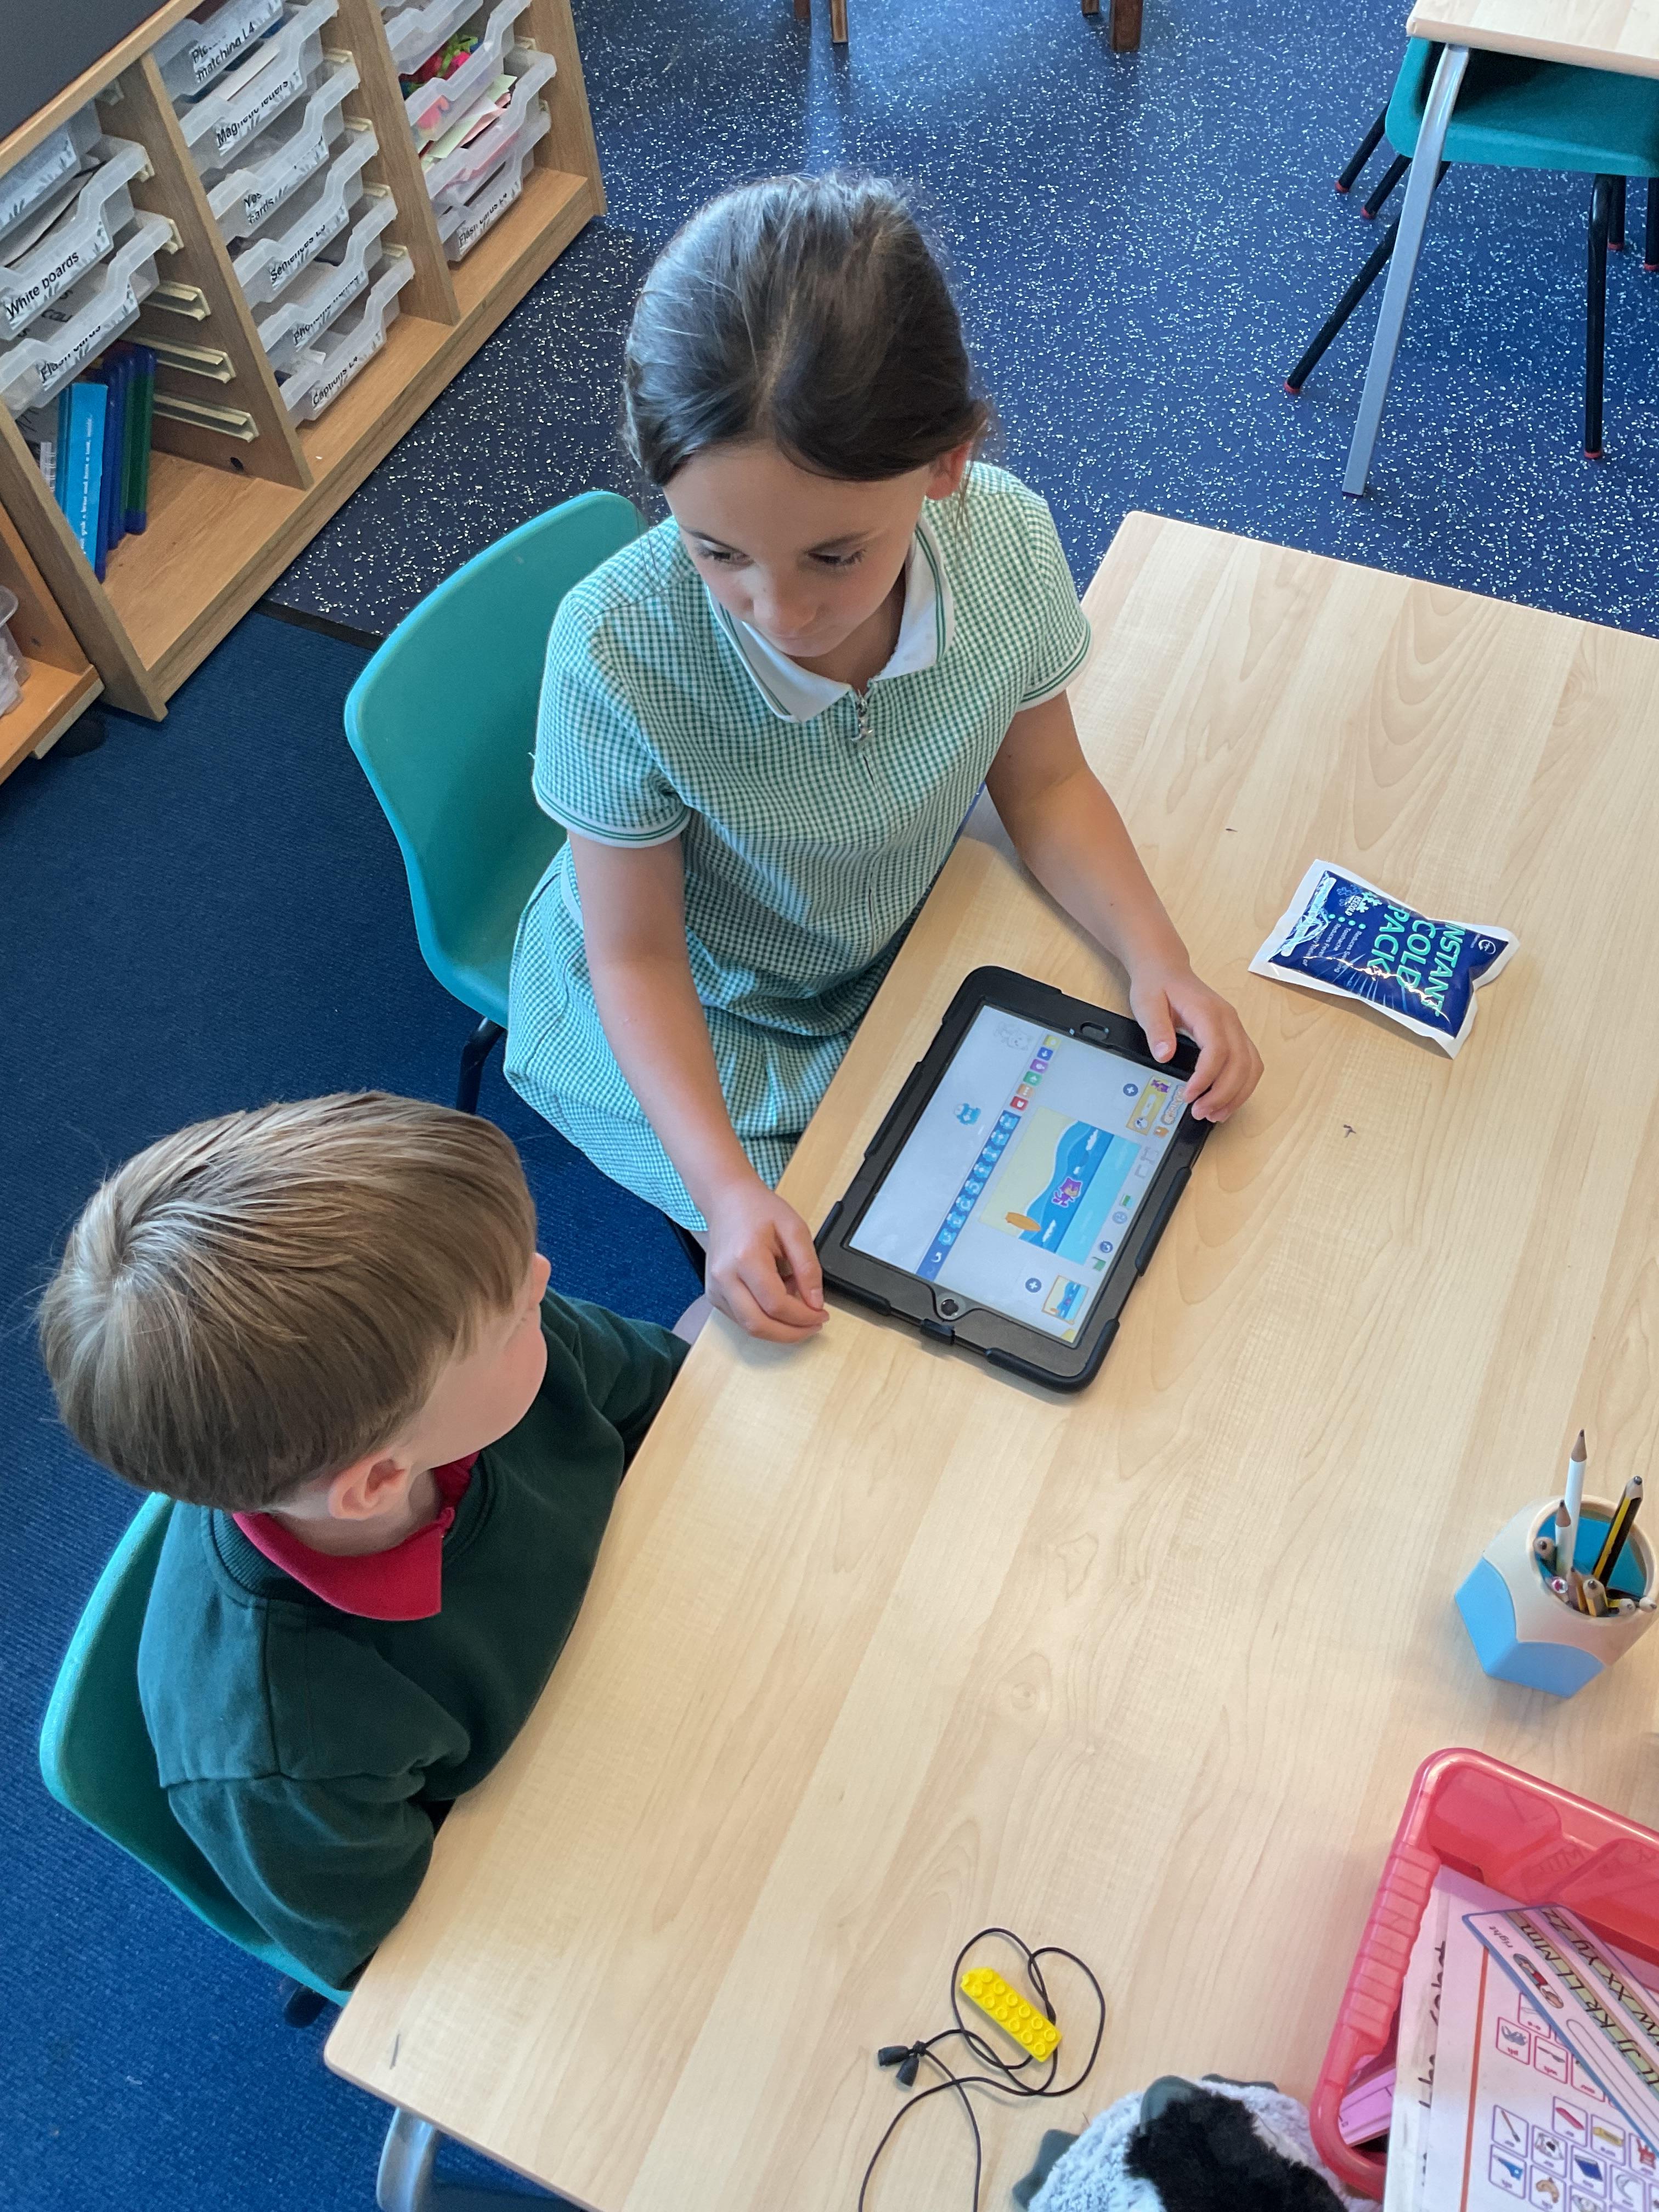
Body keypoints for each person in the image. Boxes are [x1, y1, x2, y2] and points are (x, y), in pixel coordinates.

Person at [506, 172, 1262, 1348]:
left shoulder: (1004, 536)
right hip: (703, 1011)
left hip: (885, 942)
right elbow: (635, 957)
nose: (779, 612)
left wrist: (1157, 957)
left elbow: (1047, 784)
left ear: (946, 464)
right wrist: (726, 1193)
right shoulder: (613, 648)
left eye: (834, 556)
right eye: (715, 552)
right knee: (839, 1305)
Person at [38, 1092, 684, 1993]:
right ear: (378, 1481)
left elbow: (676, 1400)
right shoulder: (279, 1749)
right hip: (576, 1827)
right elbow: (409, 1959)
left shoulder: (470, 1341)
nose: (541, 1278)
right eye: (515, 1318)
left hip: (667, 1635)